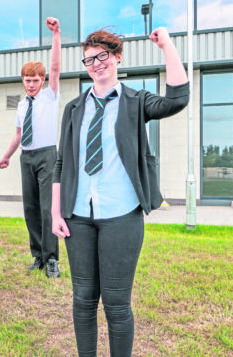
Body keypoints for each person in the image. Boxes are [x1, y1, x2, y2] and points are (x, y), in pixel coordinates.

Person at [51, 27, 189, 356]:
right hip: (78, 217)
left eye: (102, 56)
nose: (96, 64)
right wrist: (55, 212)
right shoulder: (73, 108)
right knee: (83, 301)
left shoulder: (136, 101)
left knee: (116, 304)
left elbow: (177, 99)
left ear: (116, 57)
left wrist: (167, 45)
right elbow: (60, 163)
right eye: (89, 59)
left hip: (121, 216)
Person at [0, 17, 62, 277]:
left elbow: (56, 67)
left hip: (48, 156)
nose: (31, 84)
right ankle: (37, 254)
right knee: (31, 208)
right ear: (23, 81)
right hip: (26, 157)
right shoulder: (22, 105)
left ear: (42, 80)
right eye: (27, 80)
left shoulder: (50, 95)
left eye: (35, 80)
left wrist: (55, 35)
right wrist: (6, 156)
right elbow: (18, 134)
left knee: (48, 209)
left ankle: (52, 258)